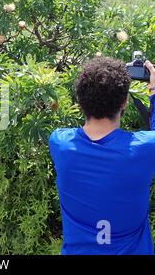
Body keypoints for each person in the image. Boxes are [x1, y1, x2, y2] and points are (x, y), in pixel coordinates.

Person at [49, 57, 155, 255]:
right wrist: (153, 92)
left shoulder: (60, 143)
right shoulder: (144, 148)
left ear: (80, 102)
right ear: (124, 102)